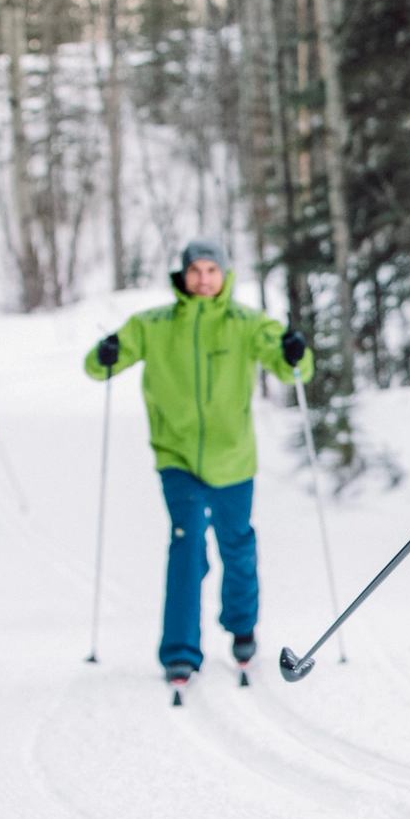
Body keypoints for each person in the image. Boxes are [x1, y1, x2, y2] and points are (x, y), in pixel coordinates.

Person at [84, 238, 315, 684]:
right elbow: (98, 366)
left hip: (233, 458)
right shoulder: (154, 324)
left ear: (224, 275)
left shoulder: (246, 323)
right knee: (187, 546)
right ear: (183, 276)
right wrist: (105, 354)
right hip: (177, 458)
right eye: (196, 271)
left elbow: (295, 370)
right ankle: (180, 651)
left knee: (238, 545)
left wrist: (294, 351)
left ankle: (242, 627)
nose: (204, 278)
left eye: (212, 270)